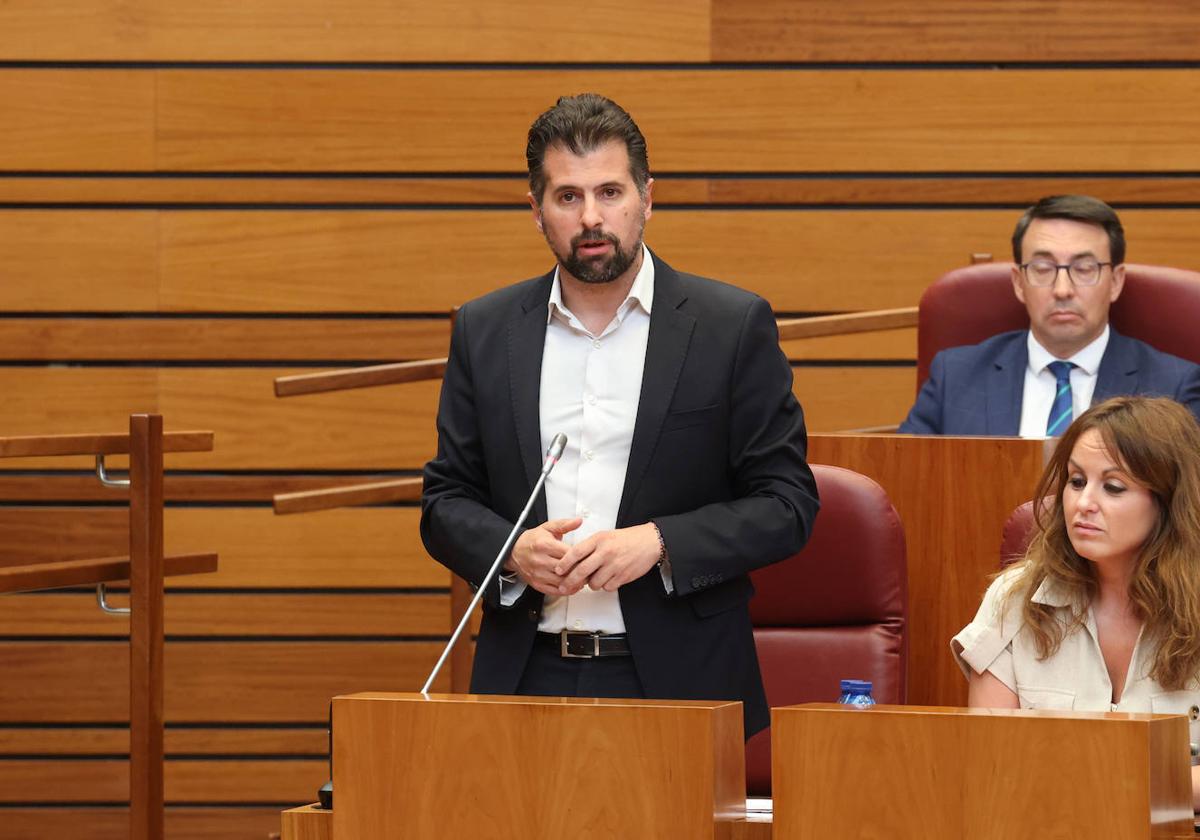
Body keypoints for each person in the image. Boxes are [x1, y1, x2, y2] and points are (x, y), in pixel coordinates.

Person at [420, 93, 819, 737]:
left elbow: (788, 504)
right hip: (526, 677)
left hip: (680, 685)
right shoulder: (486, 331)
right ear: (537, 211)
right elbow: (445, 501)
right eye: (568, 197)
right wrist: (511, 552)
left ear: (647, 198)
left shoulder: (729, 326)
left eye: (610, 191)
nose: (593, 218)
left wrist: (659, 544)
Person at [952, 396, 1200, 807]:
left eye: (1114, 487)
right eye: (1076, 481)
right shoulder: (1014, 599)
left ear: (1168, 502)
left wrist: (1108, 781)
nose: (1084, 504)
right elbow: (989, 760)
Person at [899, 195, 1200, 435]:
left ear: (1116, 282)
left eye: (1084, 269)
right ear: (1019, 283)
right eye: (1043, 269)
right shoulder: (957, 375)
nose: (1063, 289)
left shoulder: (1173, 387)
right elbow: (904, 477)